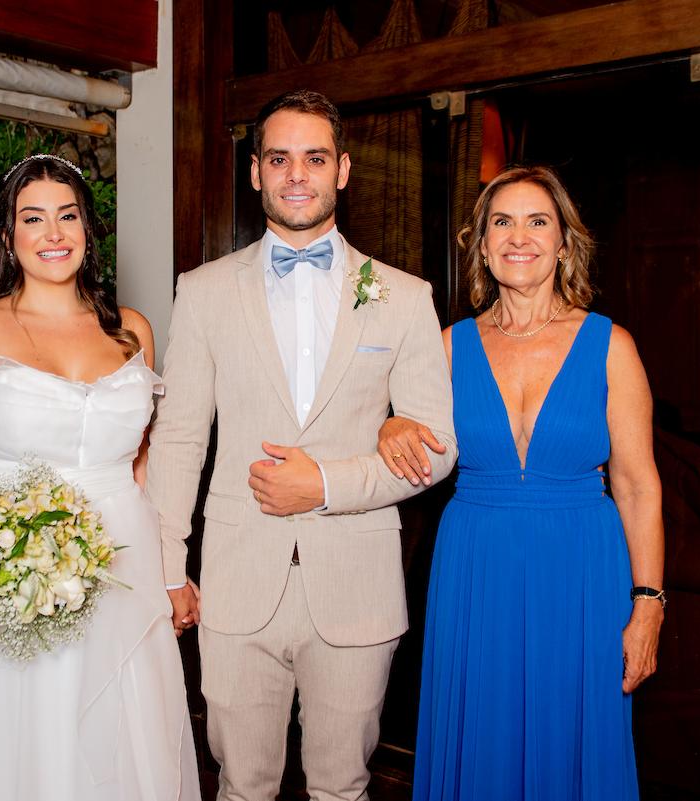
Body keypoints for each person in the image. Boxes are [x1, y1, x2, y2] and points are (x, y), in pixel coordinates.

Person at [146, 89, 457, 801]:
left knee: (342, 788)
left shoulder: (404, 297)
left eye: (314, 158)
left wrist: (327, 484)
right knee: (239, 784)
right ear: (254, 172)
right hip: (234, 586)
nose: (296, 174)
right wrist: (168, 567)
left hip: (357, 589)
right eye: (279, 158)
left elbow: (436, 448)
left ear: (342, 170)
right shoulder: (202, 291)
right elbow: (180, 438)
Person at [378, 165, 664, 801]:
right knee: (480, 734)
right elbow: (397, 429)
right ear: (481, 243)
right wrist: (389, 425)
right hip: (476, 569)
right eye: (501, 221)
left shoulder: (611, 345)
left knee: (575, 735)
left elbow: (639, 485)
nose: (519, 236)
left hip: (583, 574)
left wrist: (647, 605)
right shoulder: (447, 347)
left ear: (565, 241)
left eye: (539, 221)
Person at [0, 154, 200, 800]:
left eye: (68, 216)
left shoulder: (132, 332)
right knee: (26, 753)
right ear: (8, 237)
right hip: (17, 578)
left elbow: (143, 461)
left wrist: (169, 569)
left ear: (87, 230)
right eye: (33, 218)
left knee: (129, 750)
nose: (53, 233)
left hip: (124, 573)